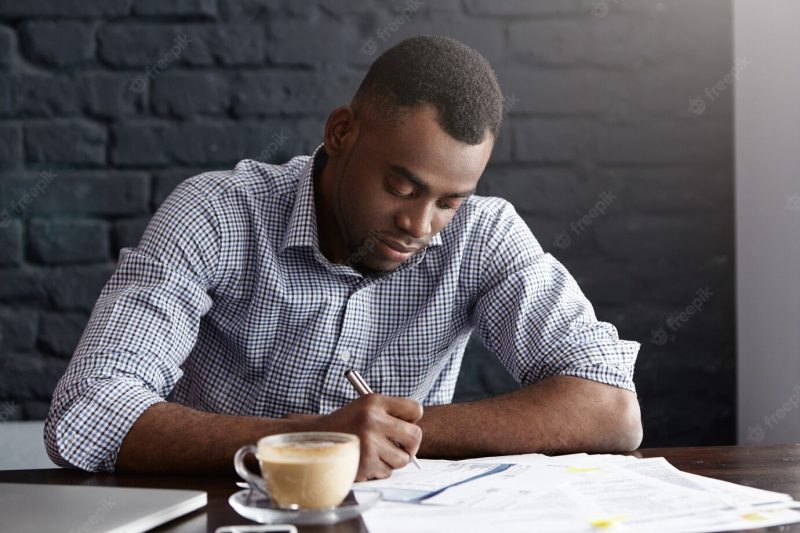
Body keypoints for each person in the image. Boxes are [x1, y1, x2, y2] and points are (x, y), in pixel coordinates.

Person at [45, 36, 642, 481]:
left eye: (448, 202)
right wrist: (307, 439)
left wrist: (394, 432)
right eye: (402, 188)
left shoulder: (483, 235)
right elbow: (88, 410)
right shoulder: (218, 214)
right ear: (340, 133)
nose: (419, 225)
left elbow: (612, 410)